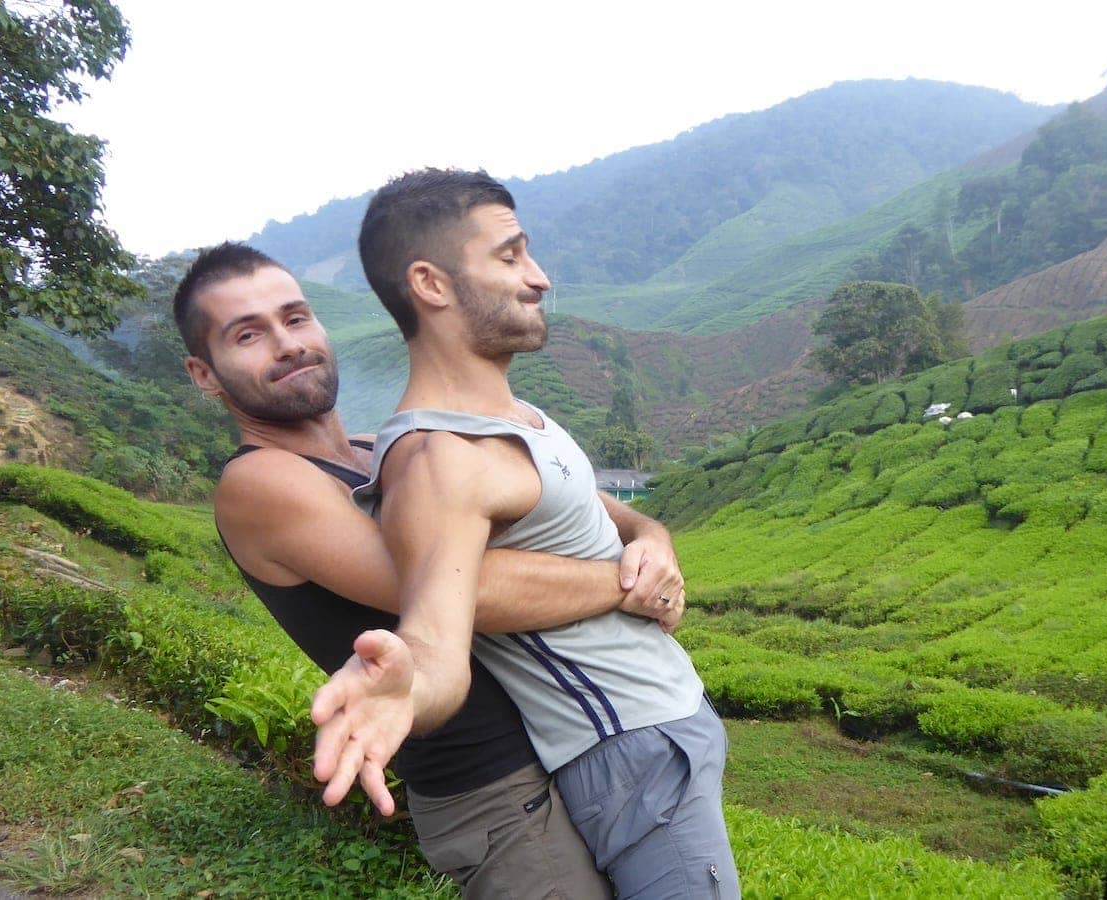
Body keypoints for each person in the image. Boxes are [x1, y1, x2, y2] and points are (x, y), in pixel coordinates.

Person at [175, 241, 688, 898]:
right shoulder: (260, 485)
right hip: (495, 791)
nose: (287, 344)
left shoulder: (375, 448)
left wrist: (652, 534)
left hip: (567, 738)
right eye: (247, 334)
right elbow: (452, 590)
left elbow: (573, 490)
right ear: (205, 373)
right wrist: (628, 587)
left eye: (296, 318)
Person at [310, 168, 739, 899]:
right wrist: (409, 689)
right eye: (509, 256)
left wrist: (654, 539)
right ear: (432, 284)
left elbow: (607, 511)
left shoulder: (518, 415)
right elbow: (439, 638)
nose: (538, 278)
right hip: (628, 750)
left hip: (664, 731)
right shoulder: (440, 461)